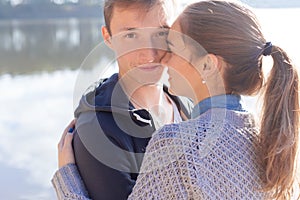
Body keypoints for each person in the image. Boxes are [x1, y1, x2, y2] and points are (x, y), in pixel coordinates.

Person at [54, 0, 300, 199]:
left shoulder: (180, 135)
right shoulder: (264, 133)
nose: (155, 55)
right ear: (108, 37)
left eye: (165, 37)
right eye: (131, 35)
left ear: (207, 64)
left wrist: (68, 185)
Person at [128, 1, 300, 199]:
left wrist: (81, 180)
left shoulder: (177, 144)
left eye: (173, 49)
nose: (163, 59)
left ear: (208, 65)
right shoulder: (270, 143)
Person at [51, 0, 193, 200]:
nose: (149, 53)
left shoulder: (189, 104)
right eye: (131, 35)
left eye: (161, 33)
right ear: (108, 38)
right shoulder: (100, 130)